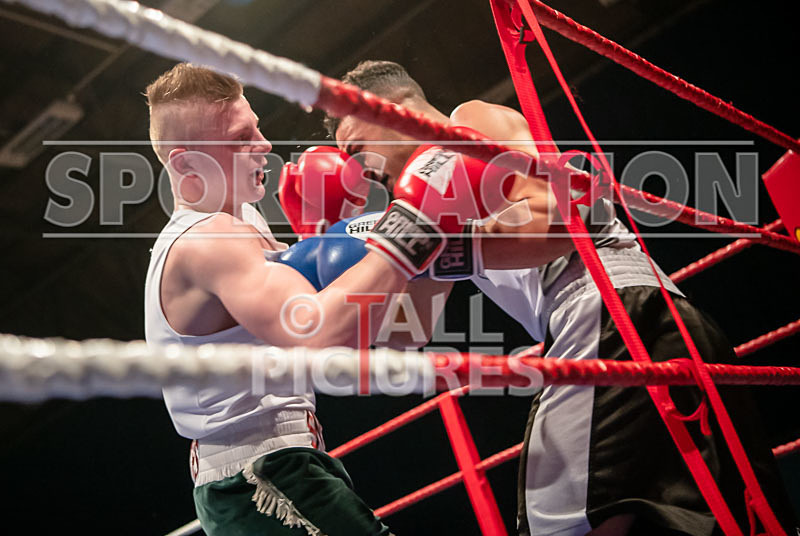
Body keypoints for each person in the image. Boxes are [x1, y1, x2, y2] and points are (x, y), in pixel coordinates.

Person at [323, 60, 797, 536]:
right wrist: (340, 264)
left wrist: (432, 245)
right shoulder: (426, 201)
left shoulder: (470, 125)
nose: (360, 170)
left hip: (610, 313)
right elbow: (410, 333)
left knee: (562, 523)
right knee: (730, 518)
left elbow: (562, 218)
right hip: (644, 321)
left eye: (357, 148)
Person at [142, 63, 475, 536]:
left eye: (257, 129)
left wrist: (432, 255)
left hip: (286, 465)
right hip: (261, 478)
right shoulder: (210, 239)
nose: (264, 147)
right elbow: (318, 334)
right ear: (186, 164)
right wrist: (413, 223)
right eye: (241, 139)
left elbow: (399, 335)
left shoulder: (248, 224)